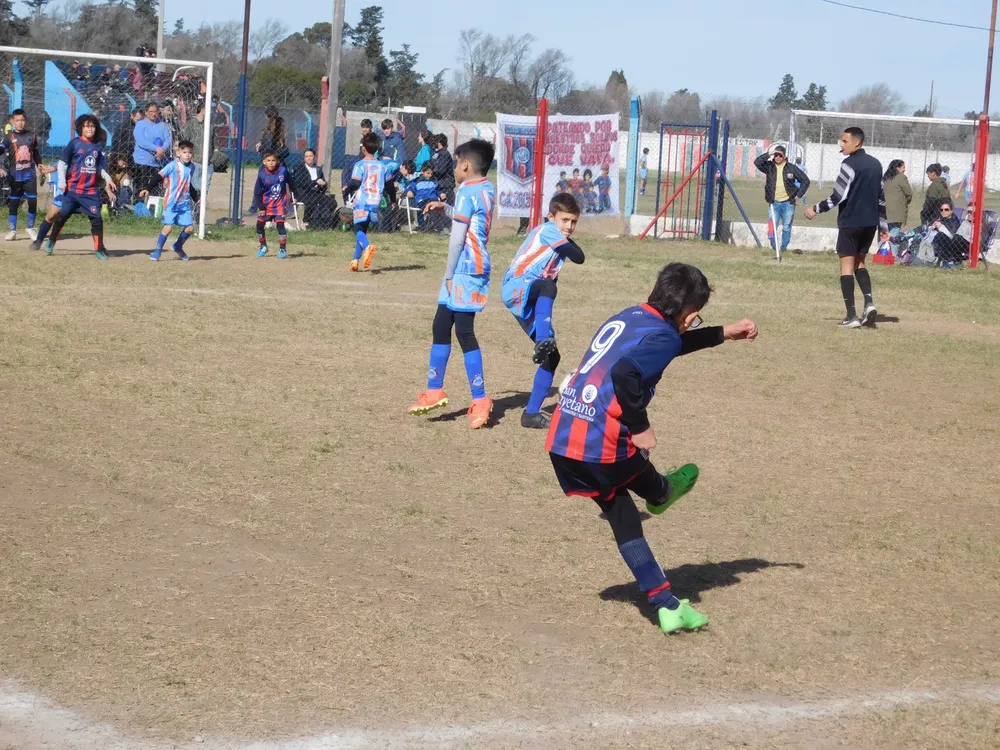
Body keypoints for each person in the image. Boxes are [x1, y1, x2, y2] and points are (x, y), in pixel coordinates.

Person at [546, 262, 758, 634]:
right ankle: (662, 491)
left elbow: (667, 345)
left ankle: (666, 603)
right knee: (643, 481)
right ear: (690, 315)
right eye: (696, 318)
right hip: (601, 442)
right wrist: (640, 427)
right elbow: (625, 372)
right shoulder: (668, 336)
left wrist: (723, 333)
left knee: (620, 511)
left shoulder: (631, 316)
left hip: (564, 435)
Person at [408, 139, 497, 430]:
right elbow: (470, 222)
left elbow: (458, 238)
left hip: (466, 269)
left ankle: (481, 399)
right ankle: (434, 390)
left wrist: (448, 273)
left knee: (464, 331)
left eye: (457, 163)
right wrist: (446, 207)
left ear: (465, 165)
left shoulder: (467, 192)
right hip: (465, 269)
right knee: (440, 324)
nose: (455, 168)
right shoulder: (484, 188)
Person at [501, 193, 586, 429]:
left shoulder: (559, 239)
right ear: (551, 217)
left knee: (553, 357)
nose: (569, 226)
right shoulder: (549, 230)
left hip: (530, 297)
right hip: (518, 286)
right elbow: (579, 257)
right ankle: (543, 337)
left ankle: (531, 414)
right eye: (565, 220)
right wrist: (570, 241)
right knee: (547, 286)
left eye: (574, 222)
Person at [805, 126, 886, 329]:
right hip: (870, 223)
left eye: (844, 141)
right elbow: (881, 198)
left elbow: (838, 196)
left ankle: (851, 315)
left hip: (851, 222)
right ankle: (869, 303)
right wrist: (883, 226)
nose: (841, 145)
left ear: (856, 142)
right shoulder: (876, 165)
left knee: (846, 267)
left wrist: (816, 208)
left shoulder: (848, 164)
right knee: (860, 263)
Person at [39, 114, 117, 260]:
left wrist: (108, 178)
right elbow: (62, 163)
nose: (90, 129)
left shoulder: (97, 146)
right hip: (73, 190)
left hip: (90, 192)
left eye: (93, 126)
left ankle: (99, 250)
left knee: (97, 219)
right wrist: (62, 182)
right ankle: (50, 241)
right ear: (81, 128)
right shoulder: (74, 144)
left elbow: (98, 167)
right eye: (87, 126)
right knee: (61, 217)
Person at [345, 132, 398, 270]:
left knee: (357, 228)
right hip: (375, 202)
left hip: (362, 201)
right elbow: (390, 186)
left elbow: (355, 184)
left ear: (363, 149)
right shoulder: (383, 166)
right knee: (363, 228)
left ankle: (367, 247)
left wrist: (347, 189)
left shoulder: (360, 165)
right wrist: (393, 200)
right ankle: (355, 260)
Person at [0, 109, 54, 241]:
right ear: (12, 121)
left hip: (29, 175)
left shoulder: (32, 136)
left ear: (26, 121)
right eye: (17, 120)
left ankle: (30, 228)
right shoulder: (8, 137)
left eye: (22, 120)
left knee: (32, 202)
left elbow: (35, 153)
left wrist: (40, 164)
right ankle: (12, 231)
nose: (20, 123)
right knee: (14, 203)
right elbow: (1, 149)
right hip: (15, 176)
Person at [753, 145, 810, 255]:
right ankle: (774, 247)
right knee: (771, 226)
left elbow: (805, 180)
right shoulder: (769, 167)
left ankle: (783, 248)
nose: (778, 157)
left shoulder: (791, 168)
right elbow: (757, 162)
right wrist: (768, 154)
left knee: (786, 227)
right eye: (776, 155)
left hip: (788, 203)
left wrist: (799, 194)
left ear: (785, 156)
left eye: (780, 155)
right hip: (773, 203)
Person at [150, 140, 196, 262]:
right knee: (168, 228)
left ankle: (178, 246)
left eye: (190, 152)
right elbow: (158, 176)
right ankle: (158, 250)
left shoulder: (192, 167)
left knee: (190, 228)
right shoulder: (172, 165)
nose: (187, 155)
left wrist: (196, 198)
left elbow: (188, 184)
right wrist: (146, 188)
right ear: (178, 153)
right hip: (171, 203)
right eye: (184, 152)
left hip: (184, 204)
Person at [253, 152, 292, 259]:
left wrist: (295, 195)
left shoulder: (283, 171)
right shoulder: (262, 174)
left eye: (273, 160)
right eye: (268, 161)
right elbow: (257, 192)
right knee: (259, 225)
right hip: (266, 205)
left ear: (277, 161)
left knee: (280, 225)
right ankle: (263, 246)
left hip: (280, 204)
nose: (271, 163)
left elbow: (291, 183)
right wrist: (260, 206)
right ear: (264, 162)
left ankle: (282, 249)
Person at [132, 102, 171, 196]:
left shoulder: (163, 125)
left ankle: (152, 209)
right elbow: (141, 141)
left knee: (154, 189)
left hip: (158, 162)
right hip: (142, 162)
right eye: (150, 111)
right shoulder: (140, 124)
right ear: (146, 112)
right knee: (141, 187)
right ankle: (138, 207)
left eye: (155, 111)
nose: (153, 113)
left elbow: (168, 140)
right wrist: (156, 149)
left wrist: (162, 150)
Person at [179, 102, 217, 199]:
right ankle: (194, 212)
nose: (211, 112)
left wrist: (213, 159)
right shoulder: (191, 124)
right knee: (195, 190)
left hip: (208, 163)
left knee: (205, 192)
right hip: (195, 162)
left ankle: (200, 211)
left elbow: (215, 144)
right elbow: (184, 142)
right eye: (209, 110)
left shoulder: (210, 126)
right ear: (202, 110)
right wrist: (189, 158)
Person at [290, 148, 332, 228]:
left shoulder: (318, 169)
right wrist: (315, 182)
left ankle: (321, 222)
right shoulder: (300, 168)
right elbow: (301, 183)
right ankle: (305, 221)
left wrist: (323, 184)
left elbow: (323, 186)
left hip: (316, 194)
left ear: (314, 157)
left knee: (332, 202)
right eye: (306, 156)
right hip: (303, 193)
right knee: (313, 200)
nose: (308, 158)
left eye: (310, 156)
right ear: (304, 158)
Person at [931, 201, 970, 267]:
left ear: (951, 211)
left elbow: (953, 237)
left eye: (946, 209)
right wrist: (932, 228)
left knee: (940, 235)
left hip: (951, 245)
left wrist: (941, 227)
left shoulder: (954, 221)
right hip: (937, 245)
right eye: (941, 210)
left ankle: (946, 260)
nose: (943, 211)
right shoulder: (940, 219)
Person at [406, 162, 439, 229]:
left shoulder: (434, 181)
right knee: (425, 206)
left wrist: (441, 194)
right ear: (422, 172)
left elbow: (437, 190)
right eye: (428, 173)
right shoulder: (417, 181)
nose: (430, 175)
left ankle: (434, 224)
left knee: (436, 204)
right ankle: (423, 225)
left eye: (431, 174)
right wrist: (408, 192)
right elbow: (409, 188)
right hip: (422, 200)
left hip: (433, 199)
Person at [882, 159, 912, 232]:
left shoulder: (886, 178)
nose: (904, 170)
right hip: (896, 212)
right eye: (903, 167)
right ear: (897, 168)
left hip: (885, 211)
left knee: (886, 234)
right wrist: (905, 202)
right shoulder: (901, 177)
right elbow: (909, 193)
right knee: (894, 234)